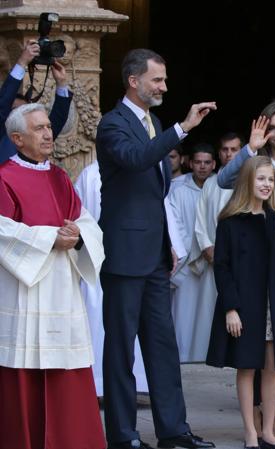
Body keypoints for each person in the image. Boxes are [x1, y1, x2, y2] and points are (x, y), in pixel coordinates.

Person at [96, 48, 216, 449]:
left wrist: (170, 242)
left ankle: (173, 430)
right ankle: (123, 436)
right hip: (124, 253)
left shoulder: (154, 122)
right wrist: (182, 129)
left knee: (163, 347)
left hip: (154, 255)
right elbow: (134, 160)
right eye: (157, 80)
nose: (164, 86)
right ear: (134, 81)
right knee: (120, 351)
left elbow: (157, 192)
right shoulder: (112, 124)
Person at [0, 103, 105, 448]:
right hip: (25, 290)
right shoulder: (4, 177)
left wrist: (78, 234)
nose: (48, 133)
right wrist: (48, 239)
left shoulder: (60, 177)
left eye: (48, 126)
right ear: (17, 139)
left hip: (61, 289)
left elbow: (86, 221)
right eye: (39, 129)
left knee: (67, 366)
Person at [207, 155, 275, 449]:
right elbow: (222, 267)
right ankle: (250, 431)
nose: (266, 184)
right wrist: (230, 308)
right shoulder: (230, 223)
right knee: (246, 367)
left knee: (272, 367)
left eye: (270, 179)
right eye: (260, 179)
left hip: (273, 306)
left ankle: (269, 430)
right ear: (247, 181)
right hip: (245, 307)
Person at [74, 160, 149, 397]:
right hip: (96, 257)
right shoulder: (89, 174)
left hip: (131, 255)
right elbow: (79, 212)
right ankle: (95, 384)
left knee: (129, 322)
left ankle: (134, 384)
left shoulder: (139, 167)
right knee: (96, 319)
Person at [188, 132, 243, 355]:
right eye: (225, 150)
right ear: (218, 153)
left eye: (234, 149)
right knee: (209, 312)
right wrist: (207, 247)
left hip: (242, 263)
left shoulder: (249, 180)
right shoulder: (211, 183)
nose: (229, 154)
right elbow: (200, 220)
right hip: (214, 260)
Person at [170, 143, 216, 362]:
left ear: (213, 164)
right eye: (198, 162)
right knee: (184, 314)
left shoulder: (221, 187)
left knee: (208, 313)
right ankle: (183, 357)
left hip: (213, 261)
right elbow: (174, 225)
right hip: (187, 262)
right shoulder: (178, 189)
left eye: (207, 163)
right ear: (190, 163)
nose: (202, 167)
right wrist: (192, 250)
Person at [0, 39, 73, 163]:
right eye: (15, 113)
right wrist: (22, 62)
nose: (21, 118)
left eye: (25, 114)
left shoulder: (37, 136)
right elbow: (3, 103)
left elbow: (58, 118)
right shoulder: (4, 135)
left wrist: (61, 83)